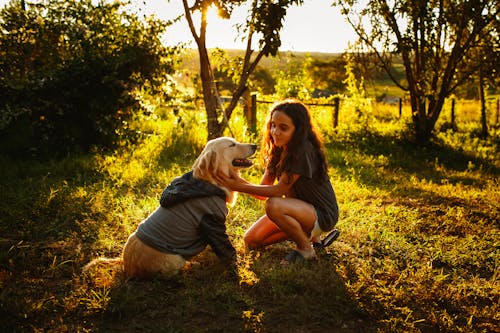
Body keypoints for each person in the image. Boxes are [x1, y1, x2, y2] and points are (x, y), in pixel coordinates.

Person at [217, 98, 339, 263]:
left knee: (274, 205)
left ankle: (305, 248)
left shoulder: (302, 151)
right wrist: (236, 180)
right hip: (297, 211)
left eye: (283, 128)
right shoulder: (278, 150)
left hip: (322, 214)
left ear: (298, 130)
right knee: (251, 240)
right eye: (273, 125)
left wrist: (236, 185)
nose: (275, 132)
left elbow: (278, 191)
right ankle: (310, 237)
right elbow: (262, 191)